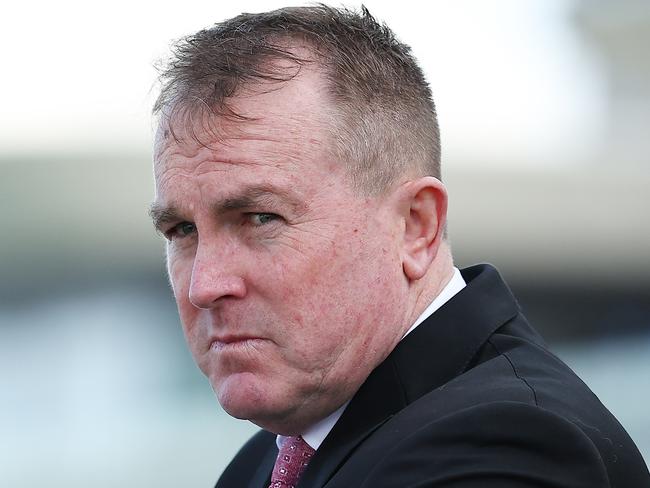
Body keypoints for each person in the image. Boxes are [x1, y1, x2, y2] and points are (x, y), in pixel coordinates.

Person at [149, 5, 650, 487]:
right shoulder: (275, 457)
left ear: (416, 227)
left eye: (261, 218)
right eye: (182, 232)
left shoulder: (504, 449)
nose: (205, 286)